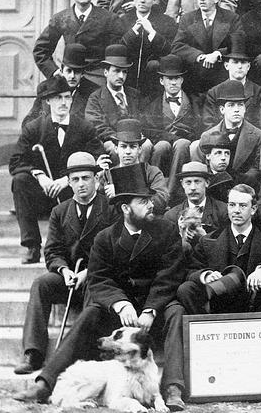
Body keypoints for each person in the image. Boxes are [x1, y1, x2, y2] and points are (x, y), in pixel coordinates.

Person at [14, 163, 188, 411]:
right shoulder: (105, 238)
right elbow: (99, 278)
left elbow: (170, 275)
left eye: (150, 200)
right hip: (120, 314)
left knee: (177, 312)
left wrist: (151, 309)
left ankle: (172, 388)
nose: (151, 205)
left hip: (155, 308)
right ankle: (45, 382)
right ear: (126, 208)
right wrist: (120, 303)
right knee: (90, 314)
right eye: (143, 201)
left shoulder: (166, 230)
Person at [14, 152, 115, 374]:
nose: (81, 184)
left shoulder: (110, 208)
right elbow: (52, 250)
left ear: (96, 179)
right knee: (41, 284)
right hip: (70, 278)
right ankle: (33, 353)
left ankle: (85, 353)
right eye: (75, 179)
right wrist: (65, 270)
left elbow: (115, 251)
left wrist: (87, 273)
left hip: (98, 277)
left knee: (96, 287)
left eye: (86, 178)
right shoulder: (59, 211)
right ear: (68, 182)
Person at [9, 76, 105, 263]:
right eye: (58, 98)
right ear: (48, 101)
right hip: (43, 193)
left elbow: (100, 159)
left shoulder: (84, 127)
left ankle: (78, 247)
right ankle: (32, 246)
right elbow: (15, 162)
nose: (63, 102)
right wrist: (40, 176)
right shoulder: (33, 128)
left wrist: (68, 180)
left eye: (67, 97)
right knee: (19, 181)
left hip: (72, 192)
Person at [176, 184, 261, 315]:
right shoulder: (208, 241)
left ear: (253, 209)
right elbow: (191, 271)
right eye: (232, 205)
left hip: (258, 306)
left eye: (243, 206)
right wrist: (206, 275)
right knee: (186, 289)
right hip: (218, 306)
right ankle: (207, 326)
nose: (236, 210)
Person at [33, 0, 123, 81]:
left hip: (99, 78)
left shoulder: (109, 19)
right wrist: (54, 71)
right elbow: (40, 50)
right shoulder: (61, 18)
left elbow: (116, 55)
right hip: (71, 77)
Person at [85, 44, 152, 164]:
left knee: (147, 145)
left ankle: (140, 174)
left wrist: (135, 137)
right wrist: (121, 138)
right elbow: (97, 126)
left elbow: (145, 120)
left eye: (124, 72)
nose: (121, 76)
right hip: (113, 140)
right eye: (116, 71)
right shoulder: (95, 98)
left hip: (136, 139)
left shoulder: (135, 95)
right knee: (114, 148)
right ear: (106, 72)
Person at [143, 54, 201, 193]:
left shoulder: (195, 102)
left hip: (184, 148)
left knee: (182, 144)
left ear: (182, 80)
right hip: (162, 146)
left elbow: (200, 127)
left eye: (176, 78)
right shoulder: (152, 104)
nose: (173, 82)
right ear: (161, 81)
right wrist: (170, 137)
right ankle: (153, 189)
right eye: (169, 78)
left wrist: (183, 136)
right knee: (161, 146)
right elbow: (148, 130)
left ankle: (170, 193)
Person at [191, 80, 261, 189]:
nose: (236, 110)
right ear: (222, 109)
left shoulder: (259, 136)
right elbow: (201, 169)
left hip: (244, 188)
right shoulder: (207, 136)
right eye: (231, 105)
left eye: (240, 105)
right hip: (215, 189)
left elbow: (257, 170)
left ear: (245, 109)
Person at [118, 0, 177, 98]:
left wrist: (152, 32)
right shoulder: (123, 21)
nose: (142, 0)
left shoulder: (167, 22)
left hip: (153, 84)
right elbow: (117, 51)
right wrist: (132, 32)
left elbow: (170, 52)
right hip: (127, 80)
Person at [103, 119, 170, 216]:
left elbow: (161, 201)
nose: (128, 151)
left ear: (140, 149)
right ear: (116, 149)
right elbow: (103, 206)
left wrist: (121, 190)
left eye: (133, 146)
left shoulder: (152, 172)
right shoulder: (108, 174)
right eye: (123, 146)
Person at [22, 43, 98, 126]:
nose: (72, 76)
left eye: (77, 72)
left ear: (82, 73)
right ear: (61, 71)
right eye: (69, 71)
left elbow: (95, 124)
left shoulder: (93, 92)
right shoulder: (46, 88)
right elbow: (29, 121)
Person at [201, 33, 261, 129]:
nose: (239, 66)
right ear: (226, 66)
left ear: (248, 66)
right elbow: (209, 125)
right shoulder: (214, 93)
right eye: (235, 62)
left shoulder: (260, 93)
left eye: (243, 62)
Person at [163, 161, 229, 251]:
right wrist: (181, 237)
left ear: (207, 182)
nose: (193, 187)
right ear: (182, 184)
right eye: (188, 182)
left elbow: (227, 249)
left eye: (197, 182)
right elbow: (168, 253)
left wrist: (204, 238)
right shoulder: (171, 216)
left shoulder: (223, 211)